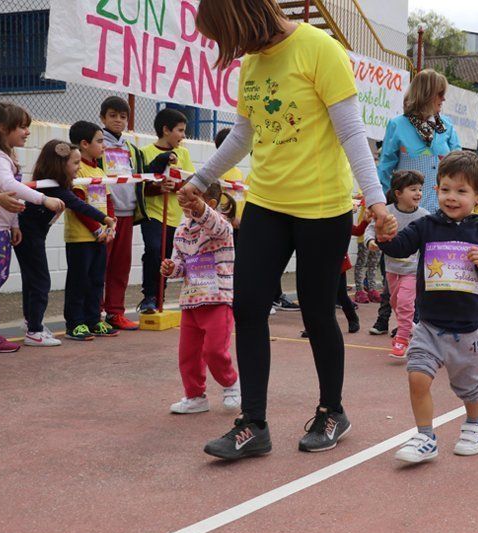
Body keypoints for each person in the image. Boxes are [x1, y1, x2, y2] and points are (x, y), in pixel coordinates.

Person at [181, 0, 393, 460]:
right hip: (266, 204)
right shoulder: (253, 63)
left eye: (224, 35)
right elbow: (243, 134)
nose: (229, 48)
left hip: (322, 207)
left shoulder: (320, 48)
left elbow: (352, 133)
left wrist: (375, 200)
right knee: (249, 304)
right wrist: (198, 180)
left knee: (318, 312)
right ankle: (253, 424)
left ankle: (331, 411)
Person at [377, 151, 478, 463]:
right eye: (446, 189)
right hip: (429, 325)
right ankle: (425, 436)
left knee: (469, 388)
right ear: (436, 190)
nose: (452, 197)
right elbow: (399, 247)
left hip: (466, 329)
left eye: (461, 191)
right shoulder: (426, 226)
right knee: (417, 377)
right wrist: (385, 238)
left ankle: (475, 424)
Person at [0, 103, 65, 352]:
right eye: (22, 127)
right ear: (3, 128)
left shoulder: (6, 154)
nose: (27, 132)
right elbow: (7, 184)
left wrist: (13, 223)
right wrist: (43, 199)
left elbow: (7, 193)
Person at [14, 140, 116, 347]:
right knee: (41, 282)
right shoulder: (52, 186)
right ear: (60, 165)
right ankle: (34, 330)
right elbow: (79, 205)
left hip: (35, 235)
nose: (79, 167)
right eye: (76, 163)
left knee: (32, 280)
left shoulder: (56, 185)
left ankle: (32, 323)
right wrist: (104, 219)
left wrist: (105, 218)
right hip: (29, 236)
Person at [161, 182, 240, 414]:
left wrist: (199, 208)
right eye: (185, 198)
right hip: (191, 300)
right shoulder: (181, 230)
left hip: (218, 299)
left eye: (194, 197)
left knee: (214, 350)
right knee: (188, 354)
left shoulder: (221, 225)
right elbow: (180, 264)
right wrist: (171, 268)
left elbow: (214, 224)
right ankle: (195, 396)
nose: (187, 203)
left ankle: (231, 384)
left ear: (211, 204)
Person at [63, 121, 119, 341]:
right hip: (81, 238)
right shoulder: (78, 170)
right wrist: (97, 229)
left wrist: (111, 225)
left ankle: (94, 319)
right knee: (79, 280)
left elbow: (107, 199)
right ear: (84, 144)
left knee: (97, 279)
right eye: (99, 141)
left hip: (101, 236)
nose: (103, 145)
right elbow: (79, 205)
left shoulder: (99, 169)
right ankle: (75, 323)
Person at [378, 69, 461, 213]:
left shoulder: (446, 126)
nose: (444, 99)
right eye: (440, 94)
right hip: (406, 213)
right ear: (426, 94)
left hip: (441, 213)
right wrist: (383, 203)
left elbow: (459, 165)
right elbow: (384, 169)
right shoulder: (397, 125)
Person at [365, 170, 429, 358]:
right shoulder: (387, 212)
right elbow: (371, 228)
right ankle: (415, 329)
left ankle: (401, 340)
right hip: (391, 268)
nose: (418, 193)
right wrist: (371, 242)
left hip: (412, 270)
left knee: (404, 302)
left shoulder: (424, 216)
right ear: (398, 193)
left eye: (420, 189)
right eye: (413, 189)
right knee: (395, 301)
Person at [137, 108, 195, 313]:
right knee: (153, 249)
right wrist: (157, 188)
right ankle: (149, 297)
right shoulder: (144, 152)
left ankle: (160, 296)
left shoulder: (184, 153)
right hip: (152, 213)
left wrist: (176, 187)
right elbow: (140, 187)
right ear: (166, 130)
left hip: (173, 216)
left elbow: (190, 182)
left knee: (165, 257)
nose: (183, 135)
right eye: (180, 130)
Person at [99, 96, 144, 331]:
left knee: (120, 265)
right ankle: (94, 312)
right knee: (100, 264)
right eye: (113, 116)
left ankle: (115, 312)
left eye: (123, 116)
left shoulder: (130, 148)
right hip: (104, 213)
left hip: (126, 213)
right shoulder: (98, 144)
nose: (118, 120)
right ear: (103, 118)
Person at [352, 200, 382, 304]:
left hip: (378, 236)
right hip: (364, 236)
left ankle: (372, 289)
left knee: (373, 263)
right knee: (361, 263)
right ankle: (359, 290)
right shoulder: (368, 194)